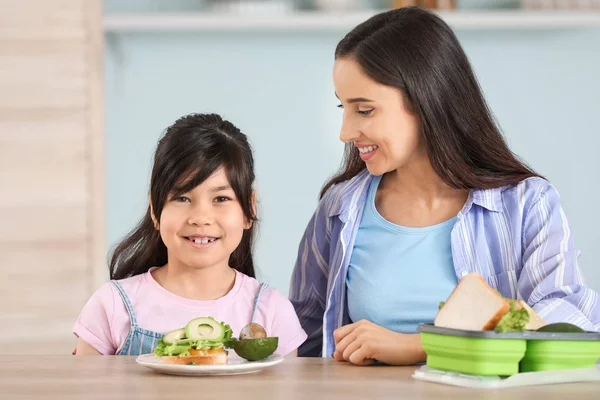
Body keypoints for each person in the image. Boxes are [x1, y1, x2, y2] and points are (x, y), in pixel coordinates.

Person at [289, 7, 600, 366]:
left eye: (364, 110)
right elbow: (302, 341)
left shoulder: (528, 204)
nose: (345, 132)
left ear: (425, 100)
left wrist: (418, 345)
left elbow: (562, 322)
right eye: (343, 107)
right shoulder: (340, 208)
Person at [74, 113, 306, 356]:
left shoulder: (272, 311)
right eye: (182, 197)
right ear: (155, 209)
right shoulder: (112, 305)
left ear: (249, 208)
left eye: (221, 198)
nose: (200, 217)